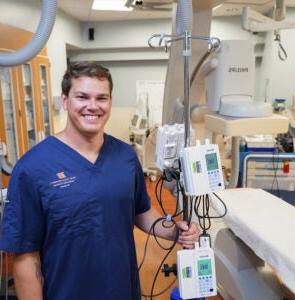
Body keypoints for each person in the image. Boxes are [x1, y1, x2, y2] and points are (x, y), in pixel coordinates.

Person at [0, 61, 199, 300]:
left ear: (110, 102)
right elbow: (25, 258)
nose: (92, 106)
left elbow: (140, 212)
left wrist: (174, 231)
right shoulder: (33, 168)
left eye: (101, 98)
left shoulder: (125, 156)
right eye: (82, 97)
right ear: (65, 100)